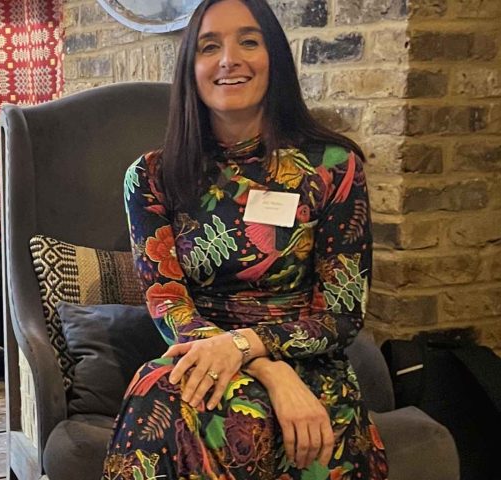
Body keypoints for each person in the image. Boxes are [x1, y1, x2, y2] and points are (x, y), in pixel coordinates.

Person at [104, 0, 387, 478]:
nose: (228, 59)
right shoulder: (152, 176)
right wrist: (261, 366)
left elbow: (342, 316)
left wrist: (257, 351)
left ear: (273, 56)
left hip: (307, 362)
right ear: (190, 68)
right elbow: (167, 302)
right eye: (209, 46)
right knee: (165, 391)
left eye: (248, 41)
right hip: (202, 356)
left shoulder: (333, 166)